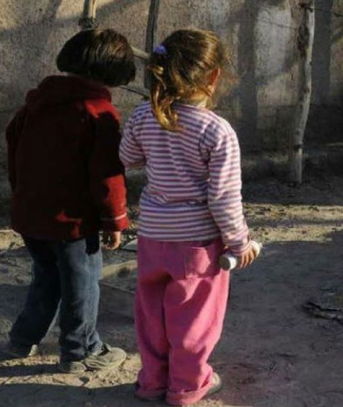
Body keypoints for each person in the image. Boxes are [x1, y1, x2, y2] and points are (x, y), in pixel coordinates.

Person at [119, 28, 258, 406]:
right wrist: (240, 243)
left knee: (151, 314)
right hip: (197, 244)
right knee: (194, 318)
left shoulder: (143, 116)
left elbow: (127, 158)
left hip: (152, 236)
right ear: (213, 76)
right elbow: (224, 198)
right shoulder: (217, 130)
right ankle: (186, 386)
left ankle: (152, 382)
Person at [3, 28, 135, 373]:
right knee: (82, 284)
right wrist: (115, 220)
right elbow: (107, 175)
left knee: (46, 277)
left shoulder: (35, 104)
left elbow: (14, 154)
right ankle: (81, 350)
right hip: (74, 223)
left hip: (32, 214)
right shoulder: (98, 112)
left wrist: (22, 196)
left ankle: (22, 340)